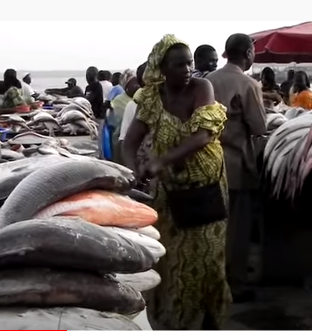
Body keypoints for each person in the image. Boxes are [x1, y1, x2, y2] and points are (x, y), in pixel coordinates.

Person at [122, 35, 231, 330]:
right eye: (178, 64)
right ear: (162, 68)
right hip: (168, 194)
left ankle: (209, 320)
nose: (187, 69)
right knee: (169, 259)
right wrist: (134, 174)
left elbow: (203, 135)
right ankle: (173, 320)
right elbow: (130, 142)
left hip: (205, 191)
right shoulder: (150, 98)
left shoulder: (201, 87)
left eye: (189, 63)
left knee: (207, 258)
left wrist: (160, 161)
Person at [206, 33, 267, 304]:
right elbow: (259, 127)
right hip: (236, 166)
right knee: (237, 230)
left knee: (211, 228)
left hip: (207, 164)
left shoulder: (207, 81)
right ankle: (235, 284)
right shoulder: (248, 84)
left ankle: (210, 280)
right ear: (248, 53)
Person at [109, 69, 139, 163]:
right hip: (121, 138)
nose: (138, 86)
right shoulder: (118, 101)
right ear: (126, 87)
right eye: (134, 84)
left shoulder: (140, 98)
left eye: (138, 82)